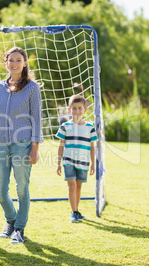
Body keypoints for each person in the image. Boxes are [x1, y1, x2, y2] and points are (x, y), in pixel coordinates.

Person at [0, 46, 42, 244]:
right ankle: (11, 219)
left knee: (22, 189)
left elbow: (36, 118)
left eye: (18, 60)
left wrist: (35, 146)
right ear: (6, 63)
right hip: (1, 144)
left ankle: (19, 229)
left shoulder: (32, 88)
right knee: (0, 191)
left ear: (25, 63)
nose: (14, 64)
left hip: (23, 144)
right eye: (11, 60)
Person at [56, 94, 98, 222]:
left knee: (79, 186)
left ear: (85, 110)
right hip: (68, 161)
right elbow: (61, 145)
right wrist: (58, 163)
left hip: (83, 162)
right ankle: (73, 212)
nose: (77, 111)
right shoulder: (65, 127)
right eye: (74, 108)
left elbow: (92, 147)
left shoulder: (90, 128)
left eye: (80, 108)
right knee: (72, 185)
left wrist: (93, 164)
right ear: (69, 110)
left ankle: (76, 210)